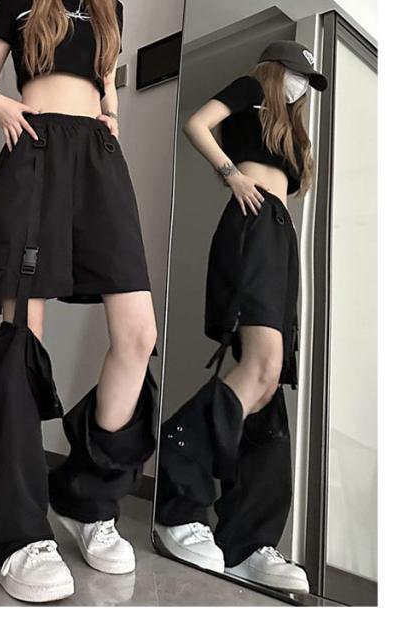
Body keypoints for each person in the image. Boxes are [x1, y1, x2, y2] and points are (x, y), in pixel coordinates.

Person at [0, 0, 158, 603]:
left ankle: (87, 498)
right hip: (35, 145)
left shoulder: (110, 6)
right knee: (25, 331)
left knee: (138, 333)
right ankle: (17, 534)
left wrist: (112, 114)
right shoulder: (18, 2)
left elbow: (107, 78)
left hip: (98, 156)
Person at [154, 40, 328, 594]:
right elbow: (197, 123)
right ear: (276, 69)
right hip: (251, 224)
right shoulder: (252, 89)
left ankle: (247, 540)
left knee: (270, 379)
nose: (301, 88)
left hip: (279, 238)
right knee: (261, 367)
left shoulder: (290, 128)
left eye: (308, 82)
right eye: (296, 75)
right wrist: (231, 174)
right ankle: (178, 480)